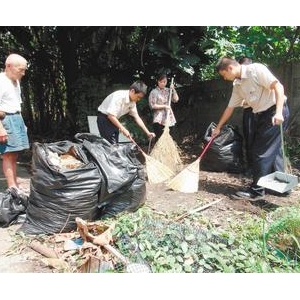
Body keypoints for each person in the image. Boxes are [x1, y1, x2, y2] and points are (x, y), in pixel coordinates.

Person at [212, 57, 289, 200]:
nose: (225, 78)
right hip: (261, 115)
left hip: (274, 112)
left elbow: (278, 87)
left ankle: (257, 191)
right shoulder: (238, 85)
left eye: (224, 75)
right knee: (273, 151)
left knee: (260, 152)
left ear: (230, 68)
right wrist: (219, 127)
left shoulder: (256, 69)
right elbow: (230, 108)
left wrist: (279, 112)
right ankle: (281, 188)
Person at [0, 53, 29, 193]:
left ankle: (15, 183)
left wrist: (22, 123)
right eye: (21, 70)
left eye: (24, 70)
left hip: (16, 117)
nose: (23, 73)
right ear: (9, 66)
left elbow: (17, 104)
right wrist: (0, 128)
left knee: (15, 153)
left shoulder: (16, 82)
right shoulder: (1, 81)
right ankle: (12, 187)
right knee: (8, 154)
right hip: (5, 120)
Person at [148, 73, 179, 140]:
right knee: (159, 138)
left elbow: (176, 99)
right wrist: (164, 106)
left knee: (170, 138)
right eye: (161, 81)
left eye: (164, 82)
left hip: (169, 118)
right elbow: (152, 105)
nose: (162, 83)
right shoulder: (154, 92)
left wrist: (173, 89)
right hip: (159, 118)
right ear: (157, 81)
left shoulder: (168, 90)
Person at [238, 56, 255, 174]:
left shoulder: (256, 75)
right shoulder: (239, 81)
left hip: (263, 112)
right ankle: (250, 167)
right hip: (249, 113)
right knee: (249, 139)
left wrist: (249, 101)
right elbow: (240, 102)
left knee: (261, 141)